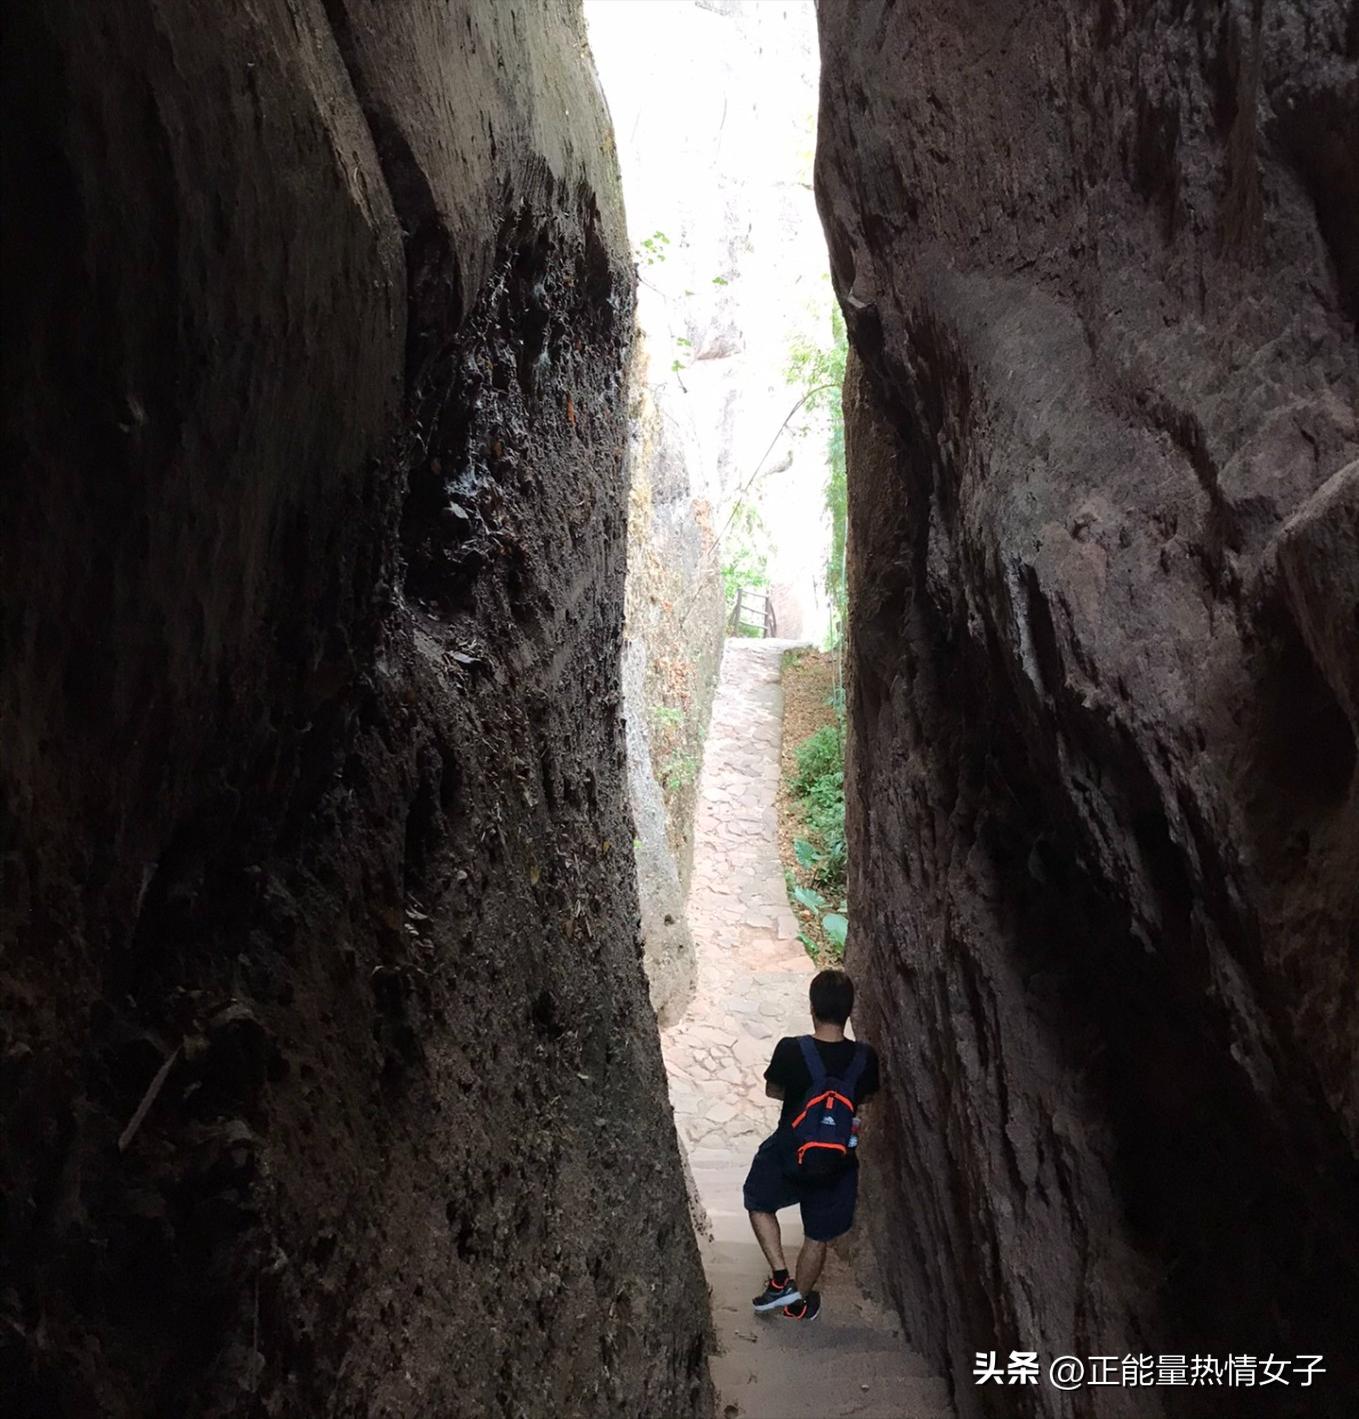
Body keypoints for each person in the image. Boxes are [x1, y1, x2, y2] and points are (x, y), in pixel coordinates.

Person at [742, 968, 880, 1321]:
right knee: (817, 1234)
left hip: (790, 1152)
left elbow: (774, 1090)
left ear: (812, 1008)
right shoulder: (866, 1058)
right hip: (838, 1161)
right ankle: (798, 1303)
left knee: (757, 1198)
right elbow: (864, 1101)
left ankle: (778, 1278)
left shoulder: (791, 1050)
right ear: (849, 1011)